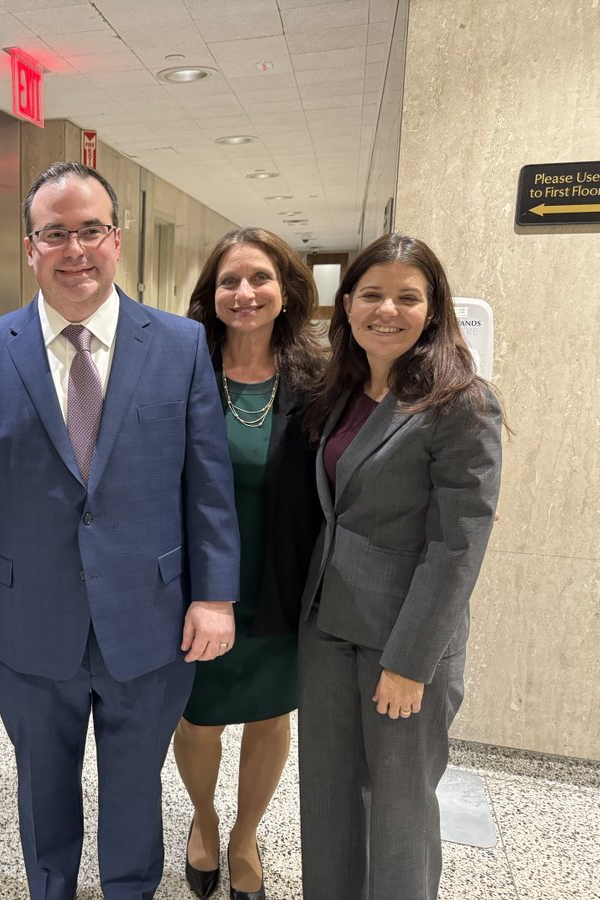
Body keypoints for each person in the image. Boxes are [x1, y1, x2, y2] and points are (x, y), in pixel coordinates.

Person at [0, 161, 242, 900]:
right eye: (56, 234)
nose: (76, 250)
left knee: (135, 785)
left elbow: (207, 484)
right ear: (31, 244)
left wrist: (216, 597)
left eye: (91, 231)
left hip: (152, 617)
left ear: (118, 239)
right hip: (27, 617)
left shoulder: (179, 344)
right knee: (43, 783)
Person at [297, 233, 503, 900]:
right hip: (328, 628)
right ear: (346, 304)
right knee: (326, 800)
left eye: (407, 297)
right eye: (372, 294)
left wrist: (412, 661)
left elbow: (457, 546)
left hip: (402, 643)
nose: (387, 310)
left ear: (433, 308)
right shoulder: (343, 390)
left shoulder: (460, 402)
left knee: (398, 810)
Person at [175, 228, 326, 899]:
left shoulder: (321, 380)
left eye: (260, 278)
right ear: (210, 293)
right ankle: (204, 823)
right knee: (198, 718)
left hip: (285, 576)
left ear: (287, 291)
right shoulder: (183, 368)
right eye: (229, 281)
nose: (244, 293)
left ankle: (244, 836)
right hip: (197, 584)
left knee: (270, 717)